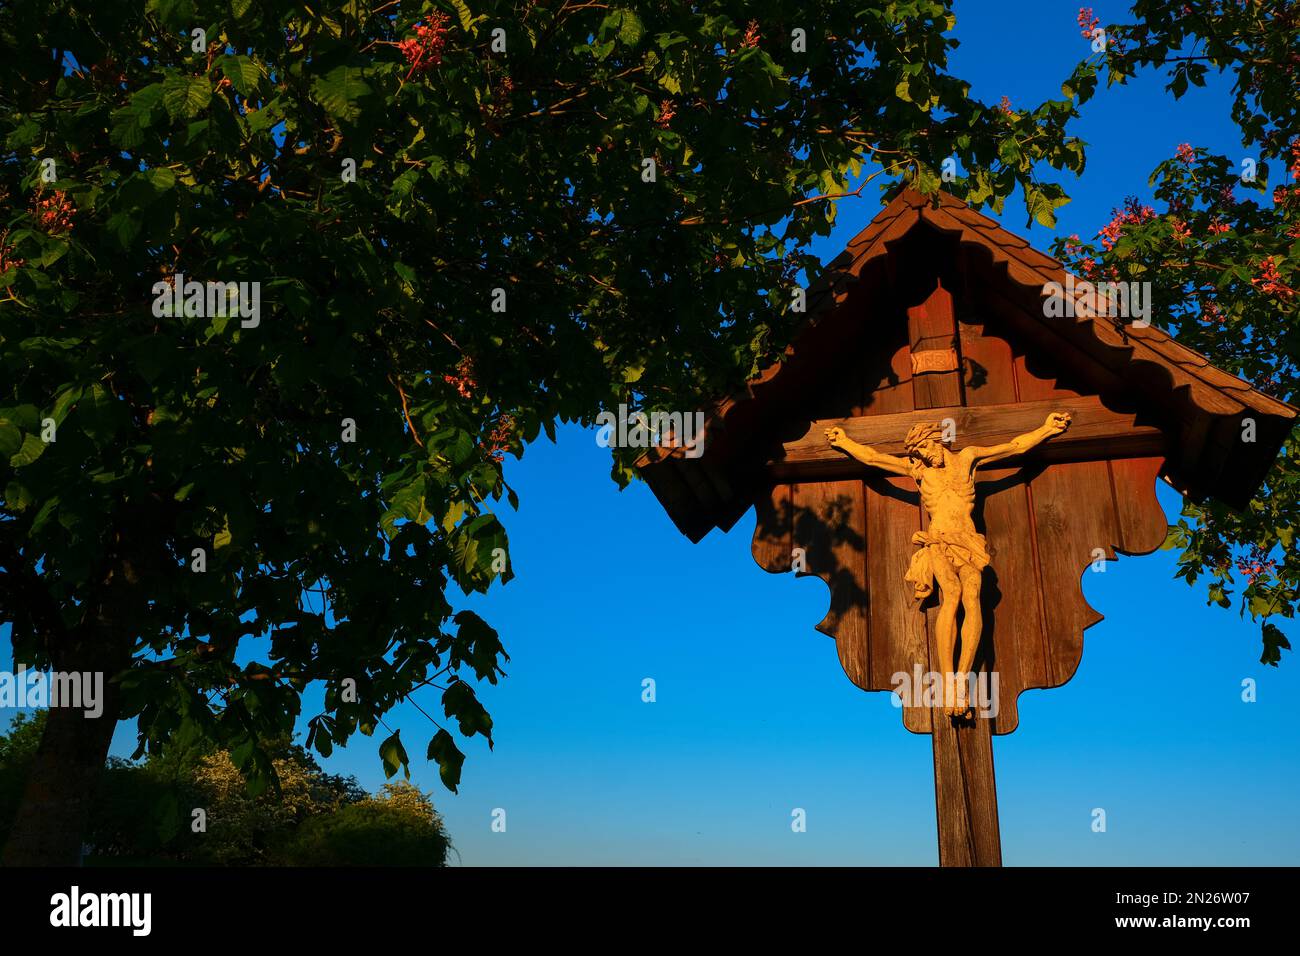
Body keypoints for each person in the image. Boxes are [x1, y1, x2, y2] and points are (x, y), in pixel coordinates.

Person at [824, 411, 1072, 717]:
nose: (925, 457)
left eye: (926, 449)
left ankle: (963, 678)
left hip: (968, 541)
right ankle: (948, 680)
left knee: (973, 600)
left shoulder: (967, 459)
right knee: (950, 597)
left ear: (935, 440)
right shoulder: (919, 472)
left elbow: (1015, 447)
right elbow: (875, 459)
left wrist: (1047, 428)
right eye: (919, 455)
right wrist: (845, 441)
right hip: (939, 540)